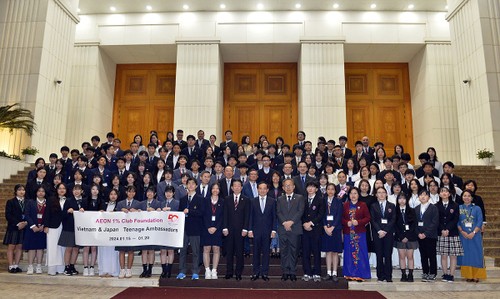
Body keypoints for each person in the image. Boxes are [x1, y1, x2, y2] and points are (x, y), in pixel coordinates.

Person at [277, 178, 305, 281]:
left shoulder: (299, 198)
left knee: (294, 250)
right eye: (286, 186)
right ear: (283, 188)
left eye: (290, 185)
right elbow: (278, 212)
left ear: (294, 187)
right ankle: (285, 271)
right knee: (284, 251)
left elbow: (300, 211)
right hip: (283, 228)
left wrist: (291, 222)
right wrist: (285, 223)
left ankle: (292, 271)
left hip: (295, 228)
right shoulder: (280, 199)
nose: (288, 187)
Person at [248, 181, 277, 281]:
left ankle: (265, 273)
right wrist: (250, 230)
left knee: (266, 253)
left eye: (264, 188)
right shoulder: (253, 201)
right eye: (260, 188)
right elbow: (250, 216)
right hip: (255, 231)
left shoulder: (272, 201)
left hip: (268, 231)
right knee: (255, 252)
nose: (262, 190)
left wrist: (274, 230)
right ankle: (255, 273)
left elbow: (274, 217)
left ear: (267, 190)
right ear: (258, 189)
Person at [222, 179, 250, 280]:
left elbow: (247, 215)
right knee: (229, 252)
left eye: (239, 186)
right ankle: (229, 272)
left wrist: (246, 229)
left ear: (241, 188)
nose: (237, 187)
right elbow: (225, 214)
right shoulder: (227, 199)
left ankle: (238, 273)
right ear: (232, 188)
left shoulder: (246, 199)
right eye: (235, 186)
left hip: (241, 230)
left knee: (239, 252)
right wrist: (224, 227)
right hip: (229, 230)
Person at [342, 187, 371, 282]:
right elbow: (341, 218)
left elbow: (368, 218)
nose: (353, 195)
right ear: (349, 195)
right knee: (349, 253)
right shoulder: (345, 205)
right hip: (348, 233)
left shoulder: (363, 205)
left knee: (360, 253)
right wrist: (347, 223)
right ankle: (349, 274)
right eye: (351, 193)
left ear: (358, 195)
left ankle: (361, 274)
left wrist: (358, 222)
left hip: (360, 233)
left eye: (355, 193)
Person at [177, 178, 204, 280]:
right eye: (189, 183)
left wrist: (190, 211)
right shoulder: (183, 199)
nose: (191, 185)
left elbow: (202, 213)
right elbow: (180, 213)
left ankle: (195, 271)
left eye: (193, 183)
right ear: (186, 185)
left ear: (196, 186)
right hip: (184, 228)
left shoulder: (200, 199)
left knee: (196, 252)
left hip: (195, 228)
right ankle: (182, 271)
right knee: (183, 251)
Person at [458, 190, 486, 282]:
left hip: (475, 235)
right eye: (464, 195)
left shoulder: (477, 208)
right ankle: (468, 275)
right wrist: (462, 232)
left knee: (476, 254)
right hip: (463, 235)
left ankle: (476, 275)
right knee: (466, 255)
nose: (466, 197)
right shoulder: (459, 208)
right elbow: (457, 221)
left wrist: (473, 232)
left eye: (469, 196)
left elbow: (479, 221)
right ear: (462, 197)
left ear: (472, 198)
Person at [436, 186, 462, 282]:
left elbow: (455, 219)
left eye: (446, 191)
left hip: (452, 233)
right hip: (441, 233)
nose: (444, 193)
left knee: (453, 255)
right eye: (442, 191)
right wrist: (442, 229)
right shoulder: (436, 205)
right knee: (443, 255)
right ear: (439, 194)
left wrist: (448, 229)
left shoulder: (455, 205)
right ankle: (445, 274)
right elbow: (436, 220)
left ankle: (451, 274)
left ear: (449, 194)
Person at [370, 187, 396, 282]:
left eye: (383, 192)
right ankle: (380, 276)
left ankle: (388, 276)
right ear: (376, 194)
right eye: (379, 192)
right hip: (377, 234)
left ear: (386, 194)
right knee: (379, 255)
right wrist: (379, 231)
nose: (381, 194)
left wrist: (385, 231)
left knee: (388, 255)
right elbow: (373, 220)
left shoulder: (392, 206)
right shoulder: (373, 206)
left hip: (388, 234)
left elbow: (393, 219)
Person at [115, 186, 142, 278]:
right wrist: (120, 211)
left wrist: (138, 211)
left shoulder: (138, 203)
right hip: (121, 230)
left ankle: (129, 269)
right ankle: (122, 270)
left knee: (131, 250)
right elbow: (115, 215)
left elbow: (141, 216)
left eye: (133, 192)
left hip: (132, 231)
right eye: (129, 192)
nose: (131, 193)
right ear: (126, 192)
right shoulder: (120, 203)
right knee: (121, 251)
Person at [301, 181, 325, 282]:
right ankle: (307, 273)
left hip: (316, 230)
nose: (310, 189)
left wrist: (311, 223)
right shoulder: (302, 200)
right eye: (309, 187)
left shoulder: (320, 200)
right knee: (305, 252)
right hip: (305, 230)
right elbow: (300, 213)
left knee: (316, 252)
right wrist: (304, 224)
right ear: (306, 189)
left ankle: (317, 273)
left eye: (313, 187)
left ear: (316, 189)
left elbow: (321, 214)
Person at [414, 189, 439, 282]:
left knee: (431, 255)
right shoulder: (416, 208)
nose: (423, 197)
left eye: (425, 195)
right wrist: (418, 233)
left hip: (430, 236)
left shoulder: (433, 208)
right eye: (421, 195)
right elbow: (414, 223)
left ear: (428, 197)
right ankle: (425, 272)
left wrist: (425, 233)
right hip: (420, 236)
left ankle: (433, 273)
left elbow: (435, 222)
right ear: (418, 197)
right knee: (423, 255)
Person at [80, 184, 104, 276]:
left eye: (96, 189)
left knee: (94, 248)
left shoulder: (101, 201)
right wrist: (81, 210)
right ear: (90, 190)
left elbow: (103, 212)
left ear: (98, 191)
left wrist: (102, 212)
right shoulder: (85, 200)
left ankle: (92, 267)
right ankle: (85, 267)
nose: (94, 191)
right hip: (86, 227)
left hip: (96, 227)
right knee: (86, 248)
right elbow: (82, 210)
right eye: (93, 189)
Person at [23, 186, 48, 275]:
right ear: (36, 192)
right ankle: (30, 266)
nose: (41, 193)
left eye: (43, 191)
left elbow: (48, 215)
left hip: (42, 228)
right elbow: (27, 214)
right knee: (32, 248)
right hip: (32, 228)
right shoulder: (31, 202)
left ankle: (38, 266)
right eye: (39, 191)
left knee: (40, 248)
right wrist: (33, 226)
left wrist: (44, 225)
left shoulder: (47, 202)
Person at [43, 183, 66, 275]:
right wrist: (46, 226)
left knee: (62, 247)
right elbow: (47, 213)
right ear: (57, 190)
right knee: (52, 247)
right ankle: (52, 269)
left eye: (63, 188)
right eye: (60, 188)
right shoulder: (51, 199)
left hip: (64, 227)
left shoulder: (68, 200)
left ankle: (61, 268)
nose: (62, 190)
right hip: (52, 226)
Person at [138, 187, 162, 278]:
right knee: (144, 250)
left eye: (151, 192)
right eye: (148, 192)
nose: (150, 194)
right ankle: (144, 269)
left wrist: (155, 210)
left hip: (153, 230)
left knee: (151, 250)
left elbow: (160, 214)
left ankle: (150, 270)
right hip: (143, 230)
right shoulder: (141, 203)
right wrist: (138, 211)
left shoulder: (158, 203)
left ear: (155, 194)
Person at [201, 183, 224, 280]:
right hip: (206, 228)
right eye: (213, 188)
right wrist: (208, 227)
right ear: (211, 190)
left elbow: (223, 216)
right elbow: (203, 215)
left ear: (219, 190)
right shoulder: (205, 201)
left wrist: (216, 227)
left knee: (216, 249)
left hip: (217, 229)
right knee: (206, 249)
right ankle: (207, 270)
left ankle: (214, 270)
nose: (215, 190)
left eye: (217, 188)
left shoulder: (223, 201)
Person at [3, 184, 28, 273]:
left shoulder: (27, 202)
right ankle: (11, 266)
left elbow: (29, 214)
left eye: (23, 190)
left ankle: (16, 265)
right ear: (15, 191)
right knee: (11, 246)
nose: (22, 192)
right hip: (13, 227)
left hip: (24, 227)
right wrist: (18, 223)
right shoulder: (11, 202)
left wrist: (25, 223)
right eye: (19, 190)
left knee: (20, 247)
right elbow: (8, 215)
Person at [394, 193, 418, 282]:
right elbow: (394, 225)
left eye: (404, 198)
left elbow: (414, 224)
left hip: (411, 237)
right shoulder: (395, 211)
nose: (402, 200)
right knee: (401, 256)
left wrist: (407, 236)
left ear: (407, 200)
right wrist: (401, 236)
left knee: (410, 256)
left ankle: (411, 274)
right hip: (399, 237)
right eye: (400, 198)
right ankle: (403, 274)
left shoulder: (412, 210)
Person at [59, 184, 82, 276]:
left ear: (81, 191)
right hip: (69, 227)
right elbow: (62, 214)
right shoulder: (68, 201)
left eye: (78, 189)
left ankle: (72, 266)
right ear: (72, 191)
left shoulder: (83, 201)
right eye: (75, 189)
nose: (76, 191)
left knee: (76, 248)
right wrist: (68, 211)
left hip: (79, 228)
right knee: (69, 248)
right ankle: (66, 266)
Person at [321, 183, 343, 282]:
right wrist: (325, 227)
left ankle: (335, 273)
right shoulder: (323, 201)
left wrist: (333, 227)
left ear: (335, 191)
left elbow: (339, 215)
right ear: (326, 190)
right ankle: (328, 272)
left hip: (336, 229)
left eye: (332, 189)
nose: (330, 191)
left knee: (335, 252)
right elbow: (321, 214)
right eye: (328, 189)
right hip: (326, 229)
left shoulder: (338, 201)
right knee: (328, 252)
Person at [98, 189, 120, 277]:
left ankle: (113, 271)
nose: (113, 196)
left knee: (113, 252)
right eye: (111, 194)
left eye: (115, 194)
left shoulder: (119, 205)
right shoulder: (103, 204)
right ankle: (103, 270)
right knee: (103, 251)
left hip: (114, 232)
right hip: (104, 232)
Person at [159, 186, 179, 278]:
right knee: (163, 251)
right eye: (167, 192)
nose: (168, 194)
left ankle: (169, 270)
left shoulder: (177, 203)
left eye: (170, 192)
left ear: (173, 193)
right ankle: (164, 270)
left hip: (172, 230)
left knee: (170, 251)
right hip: (163, 230)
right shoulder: (161, 203)